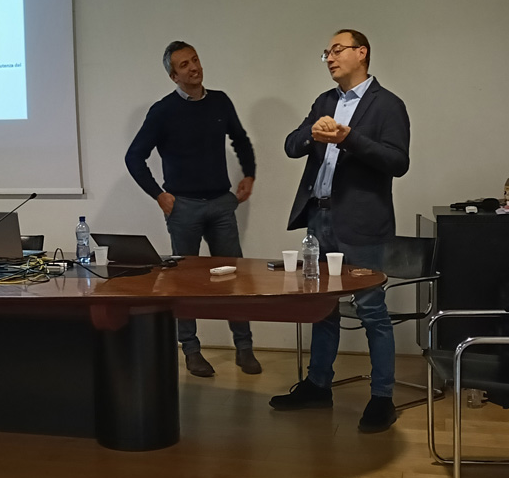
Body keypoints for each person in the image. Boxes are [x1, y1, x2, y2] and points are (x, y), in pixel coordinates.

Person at [270, 29, 410, 433]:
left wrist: (350, 138)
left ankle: (382, 397)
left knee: (371, 311)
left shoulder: (388, 105)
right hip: (320, 217)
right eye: (326, 53)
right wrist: (309, 133)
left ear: (361, 53)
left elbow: (397, 161)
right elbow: (292, 145)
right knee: (322, 309)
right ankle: (318, 386)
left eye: (337, 50)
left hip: (364, 225)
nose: (329, 58)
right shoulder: (324, 101)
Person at [125, 41, 260, 377]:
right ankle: (192, 351)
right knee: (182, 284)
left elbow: (240, 139)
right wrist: (159, 195)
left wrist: (249, 174)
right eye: (184, 65)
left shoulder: (220, 101)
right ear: (173, 75)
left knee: (234, 279)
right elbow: (134, 157)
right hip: (182, 208)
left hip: (221, 203)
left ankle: (244, 347)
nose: (193, 68)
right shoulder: (163, 111)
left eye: (195, 60)